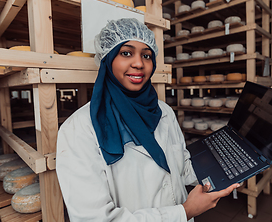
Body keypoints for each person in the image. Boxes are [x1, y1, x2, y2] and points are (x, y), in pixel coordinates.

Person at [56, 18, 239, 222]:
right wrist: (184, 212)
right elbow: (94, 218)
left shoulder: (164, 112)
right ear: (107, 59)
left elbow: (181, 168)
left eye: (146, 55)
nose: (138, 63)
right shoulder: (80, 128)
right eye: (126, 53)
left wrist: (230, 166)